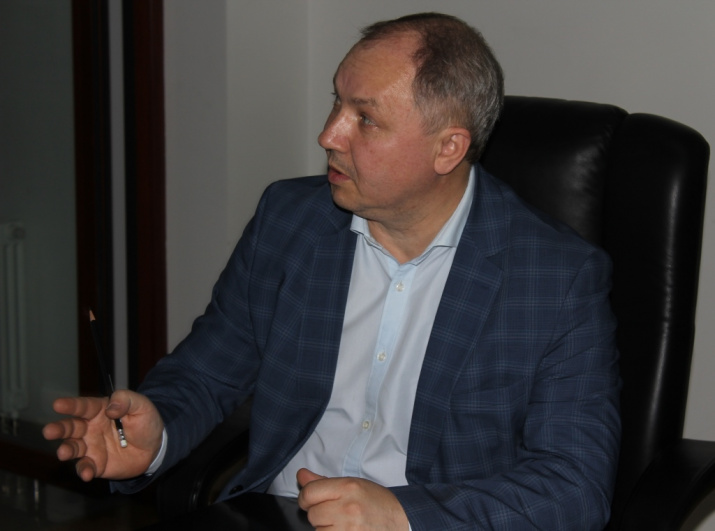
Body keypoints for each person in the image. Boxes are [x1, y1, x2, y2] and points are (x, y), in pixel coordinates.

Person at [43, 12, 620, 530]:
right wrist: (158, 432)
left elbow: (574, 487)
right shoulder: (289, 220)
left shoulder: (557, 279)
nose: (328, 135)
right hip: (279, 513)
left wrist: (403, 515)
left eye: (364, 118)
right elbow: (209, 373)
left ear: (448, 149)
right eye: (336, 103)